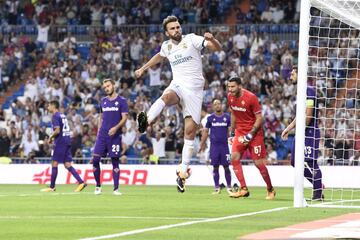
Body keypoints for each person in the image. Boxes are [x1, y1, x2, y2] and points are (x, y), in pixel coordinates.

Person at [135, 15, 221, 193]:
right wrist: (143, 68)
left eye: (178, 27)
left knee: (189, 132)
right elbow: (158, 57)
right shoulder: (166, 46)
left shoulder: (191, 39)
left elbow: (215, 48)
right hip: (178, 84)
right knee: (167, 97)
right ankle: (146, 120)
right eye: (172, 28)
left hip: (195, 91)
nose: (176, 30)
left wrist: (213, 39)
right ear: (167, 32)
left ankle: (182, 173)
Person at [227, 76, 276, 199]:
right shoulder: (230, 97)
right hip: (240, 132)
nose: (230, 89)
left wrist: (251, 134)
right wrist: (232, 132)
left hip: (254, 134)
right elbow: (233, 114)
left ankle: (270, 189)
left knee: (258, 163)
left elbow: (260, 118)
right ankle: (243, 189)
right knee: (234, 157)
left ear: (239, 85)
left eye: (233, 86)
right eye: (229, 87)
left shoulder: (251, 97)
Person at [281, 68, 323, 200]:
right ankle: (319, 185)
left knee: (311, 163)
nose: (290, 77)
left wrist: (299, 130)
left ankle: (317, 194)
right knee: (294, 161)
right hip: (301, 132)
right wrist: (288, 128)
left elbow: (308, 116)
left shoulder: (309, 91)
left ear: (300, 74)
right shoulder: (300, 92)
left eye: (293, 74)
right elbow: (300, 115)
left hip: (309, 131)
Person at [91, 78, 128, 195]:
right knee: (95, 160)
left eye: (108, 86)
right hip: (102, 136)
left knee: (115, 161)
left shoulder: (122, 101)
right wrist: (98, 133)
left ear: (114, 85)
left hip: (115, 136)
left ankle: (116, 189)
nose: (107, 88)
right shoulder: (103, 101)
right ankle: (98, 186)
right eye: (105, 87)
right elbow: (101, 118)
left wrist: (116, 128)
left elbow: (125, 118)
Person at [41, 100, 87, 192]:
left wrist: (50, 138)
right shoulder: (62, 115)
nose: (48, 107)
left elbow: (57, 130)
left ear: (54, 106)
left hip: (61, 142)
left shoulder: (55, 116)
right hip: (67, 140)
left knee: (54, 163)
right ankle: (81, 182)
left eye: (49, 105)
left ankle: (52, 187)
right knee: (67, 164)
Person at [199, 99, 232, 194]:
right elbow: (205, 132)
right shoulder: (210, 118)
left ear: (221, 105)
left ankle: (229, 187)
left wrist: (232, 141)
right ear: (213, 107)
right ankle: (217, 187)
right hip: (214, 147)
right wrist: (202, 144)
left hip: (225, 147)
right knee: (215, 167)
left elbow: (230, 131)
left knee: (226, 167)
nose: (217, 105)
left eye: (219, 103)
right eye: (215, 104)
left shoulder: (227, 117)